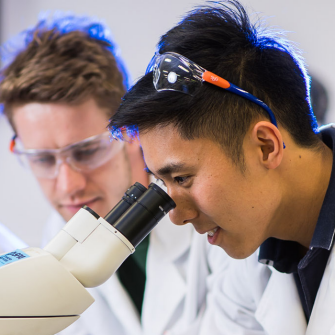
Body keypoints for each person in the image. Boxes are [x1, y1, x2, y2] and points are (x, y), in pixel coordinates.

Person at [109, 0, 335, 333]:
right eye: (161, 182)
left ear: (266, 146)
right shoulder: (252, 268)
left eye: (183, 178)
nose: (176, 215)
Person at [0, 14, 228, 335]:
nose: (69, 186)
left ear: (131, 132)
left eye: (86, 152)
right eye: (42, 160)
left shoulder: (214, 219)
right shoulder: (56, 243)